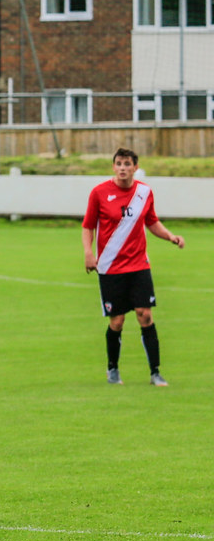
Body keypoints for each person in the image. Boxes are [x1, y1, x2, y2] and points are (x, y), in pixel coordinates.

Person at [82, 148, 184, 386]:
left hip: (139, 265)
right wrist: (88, 253)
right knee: (117, 321)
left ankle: (155, 372)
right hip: (110, 266)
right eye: (119, 163)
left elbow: (152, 221)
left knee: (145, 315)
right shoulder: (99, 193)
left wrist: (170, 236)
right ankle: (113, 369)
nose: (123, 168)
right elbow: (88, 226)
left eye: (127, 164)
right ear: (113, 166)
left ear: (135, 167)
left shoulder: (144, 193)